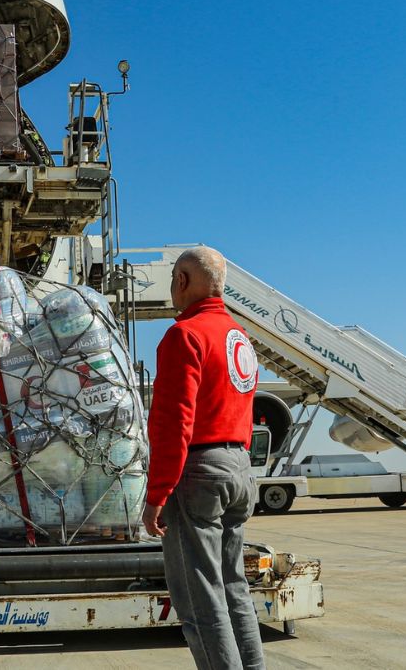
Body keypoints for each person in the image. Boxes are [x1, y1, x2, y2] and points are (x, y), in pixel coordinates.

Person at [144, 246, 265, 670]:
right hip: (239, 467)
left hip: (199, 470)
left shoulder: (186, 334)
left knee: (199, 600)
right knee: (234, 587)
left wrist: (157, 493)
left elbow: (174, 422)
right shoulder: (238, 336)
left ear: (181, 280)